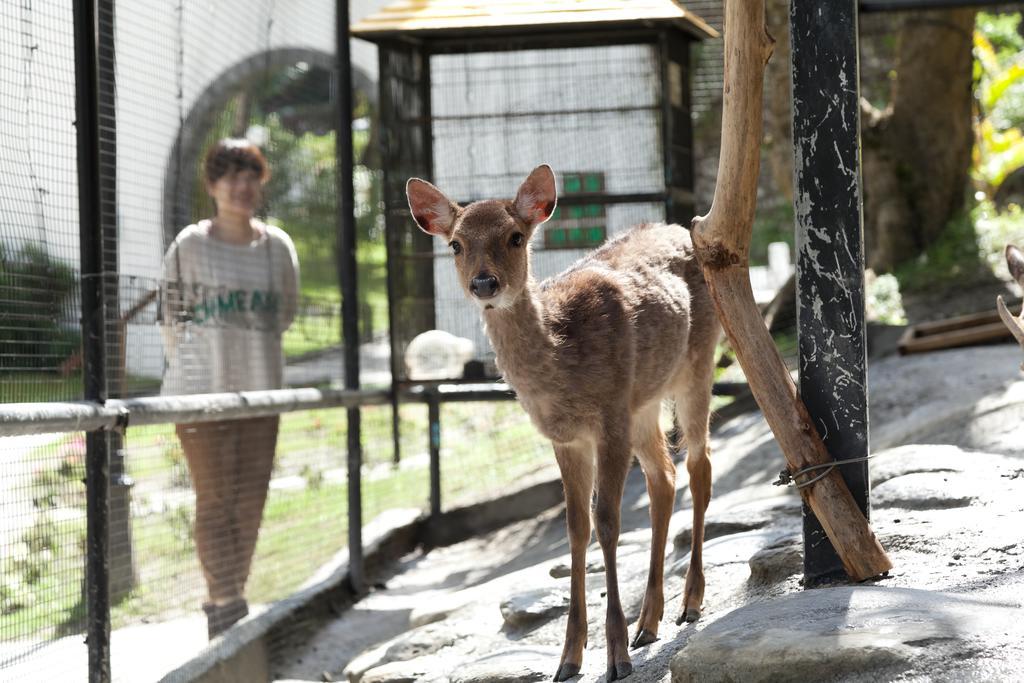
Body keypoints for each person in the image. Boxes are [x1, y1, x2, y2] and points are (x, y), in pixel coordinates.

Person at [159, 138, 299, 638]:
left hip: (261, 394)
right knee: (215, 499)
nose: (241, 186)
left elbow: (283, 314)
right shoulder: (191, 245)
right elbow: (170, 317)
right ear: (213, 186)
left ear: (260, 183)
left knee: (250, 500)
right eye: (230, 177)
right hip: (199, 397)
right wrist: (203, 368)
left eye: (250, 176)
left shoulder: (277, 247)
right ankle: (225, 604)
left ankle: (229, 599)